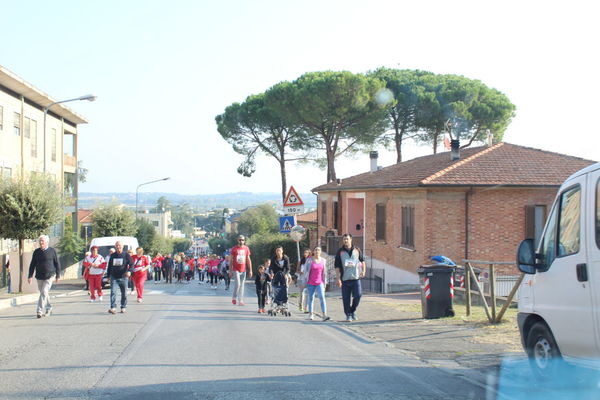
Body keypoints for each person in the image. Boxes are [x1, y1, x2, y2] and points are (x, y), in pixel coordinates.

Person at [27, 235, 61, 318]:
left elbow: (57, 263)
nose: (41, 242)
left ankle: (39, 311)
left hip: (49, 276)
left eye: (42, 241)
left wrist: (58, 275)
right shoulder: (36, 252)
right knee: (44, 293)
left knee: (44, 292)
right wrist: (30, 276)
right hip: (39, 276)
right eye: (40, 241)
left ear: (47, 242)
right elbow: (32, 264)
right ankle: (49, 307)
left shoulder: (52, 251)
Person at [335, 233, 365, 322]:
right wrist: (338, 278)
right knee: (346, 299)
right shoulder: (340, 251)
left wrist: (363, 271)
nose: (345, 241)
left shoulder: (357, 250)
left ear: (351, 239)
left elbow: (362, 261)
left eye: (347, 239)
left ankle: (352, 311)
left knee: (358, 295)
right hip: (345, 279)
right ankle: (348, 315)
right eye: (344, 239)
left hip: (356, 278)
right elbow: (337, 266)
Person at [106, 240, 134, 314]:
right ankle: (113, 307)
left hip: (123, 277)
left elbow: (131, 264)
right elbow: (109, 266)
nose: (118, 247)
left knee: (124, 293)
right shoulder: (113, 255)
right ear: (115, 246)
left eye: (119, 245)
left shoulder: (126, 255)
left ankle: (123, 307)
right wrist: (108, 276)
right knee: (113, 292)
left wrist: (129, 271)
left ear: (122, 246)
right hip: (114, 277)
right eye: (117, 245)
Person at [305, 247, 330, 321]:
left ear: (321, 252)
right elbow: (306, 271)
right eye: (315, 250)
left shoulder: (323, 261)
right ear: (313, 251)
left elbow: (325, 273)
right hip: (310, 282)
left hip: (320, 282)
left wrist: (325, 283)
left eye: (318, 250)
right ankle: (311, 314)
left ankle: (324, 315)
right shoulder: (309, 260)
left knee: (322, 297)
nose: (317, 251)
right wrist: (305, 280)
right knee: (311, 298)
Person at [229, 235, 253, 305]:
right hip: (235, 269)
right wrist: (230, 271)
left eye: (242, 240)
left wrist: (250, 270)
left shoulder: (246, 248)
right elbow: (231, 260)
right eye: (240, 240)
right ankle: (234, 297)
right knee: (238, 284)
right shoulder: (234, 249)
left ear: (244, 241)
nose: (241, 241)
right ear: (237, 240)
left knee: (242, 285)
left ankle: (241, 300)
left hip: (243, 269)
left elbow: (248, 259)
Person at [297, 248, 311, 313]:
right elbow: (297, 270)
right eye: (304, 252)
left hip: (308, 279)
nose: (305, 254)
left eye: (307, 252)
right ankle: (300, 306)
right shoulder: (300, 261)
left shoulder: (310, 260)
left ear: (309, 253)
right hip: (301, 279)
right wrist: (300, 272)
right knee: (301, 293)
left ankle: (306, 308)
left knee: (307, 294)